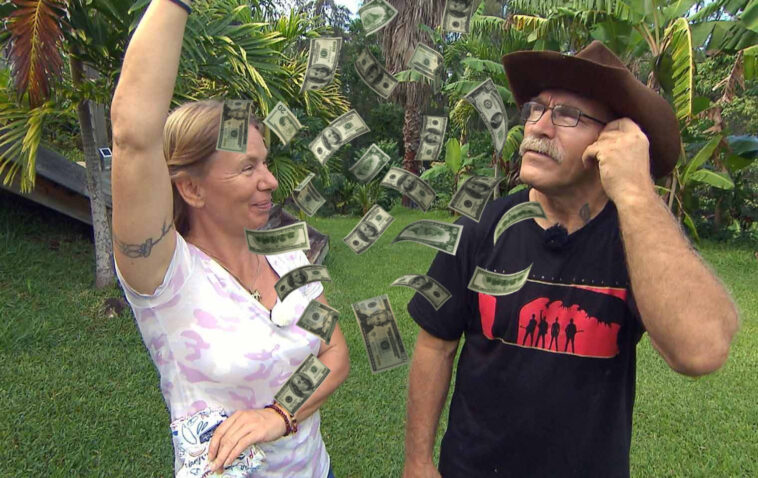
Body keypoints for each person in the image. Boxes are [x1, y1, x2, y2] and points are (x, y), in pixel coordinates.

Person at [403, 41, 738, 478]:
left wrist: (635, 192)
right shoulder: (479, 228)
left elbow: (701, 351)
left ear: (612, 141)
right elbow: (436, 345)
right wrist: (417, 461)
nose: (538, 128)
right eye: (536, 110)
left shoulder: (639, 241)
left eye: (567, 115)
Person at [110, 2, 349, 477]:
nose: (270, 181)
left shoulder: (285, 254)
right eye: (247, 167)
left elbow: (334, 352)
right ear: (192, 189)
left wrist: (279, 414)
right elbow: (134, 137)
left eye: (266, 162)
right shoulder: (165, 277)